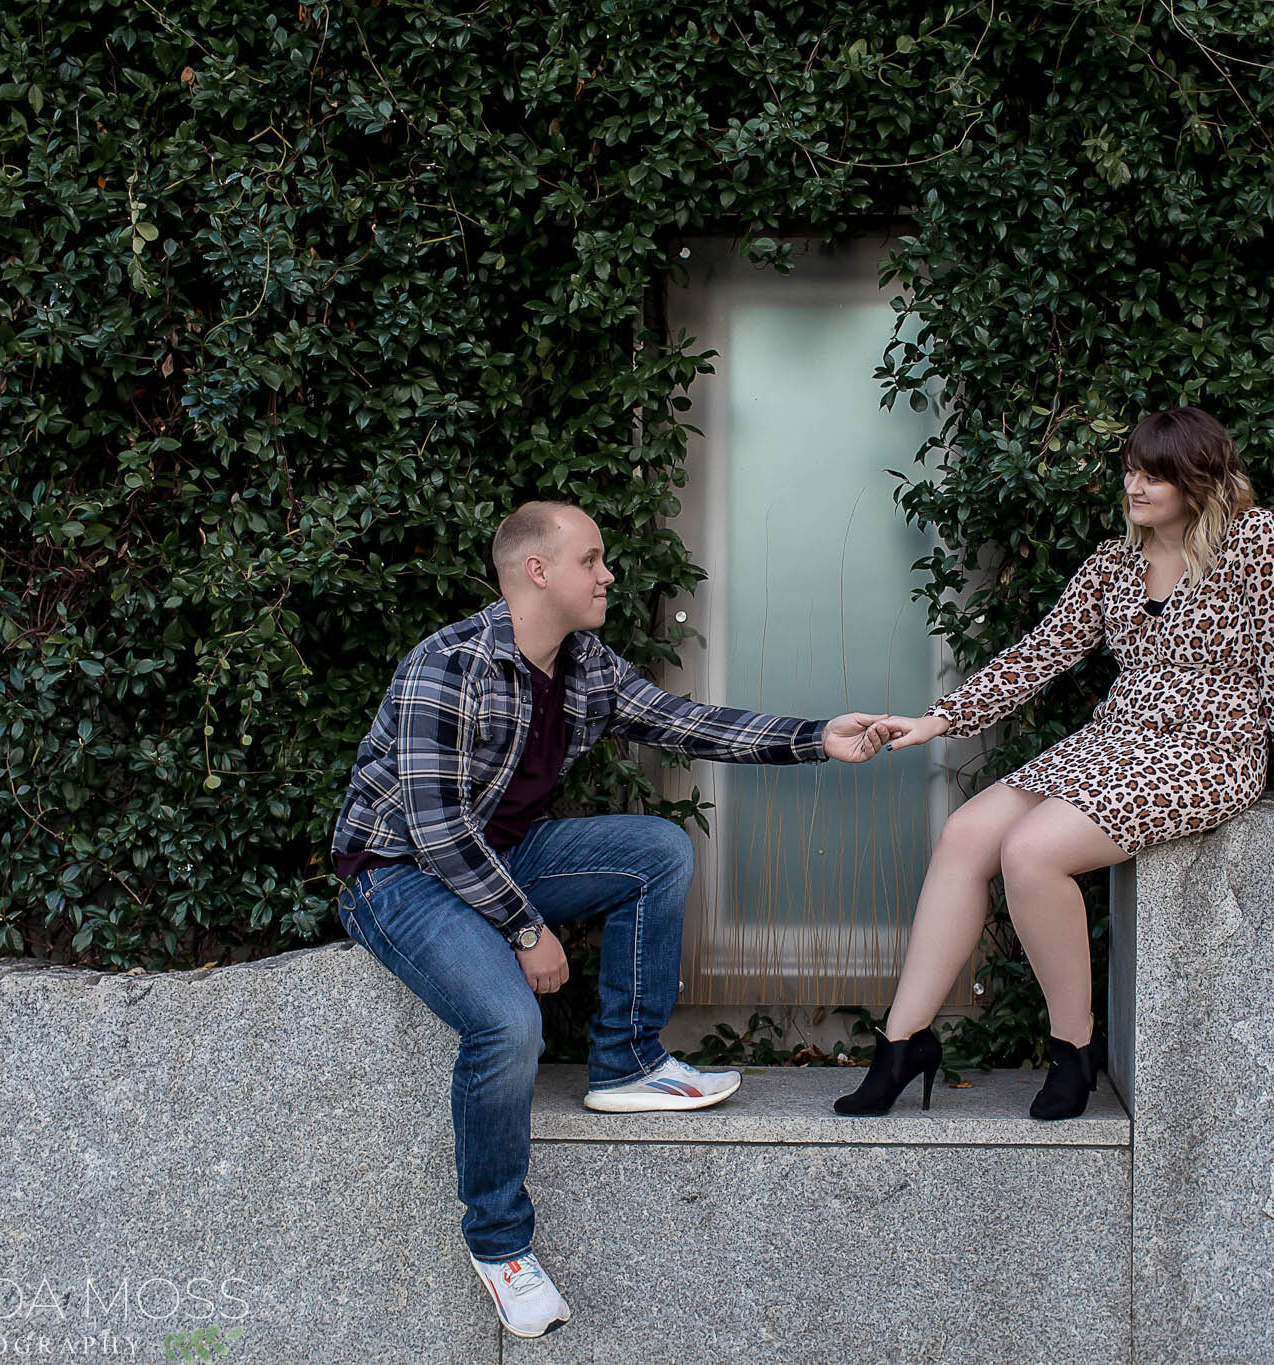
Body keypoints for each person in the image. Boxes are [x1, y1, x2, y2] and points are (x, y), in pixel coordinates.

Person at [330, 500, 895, 1339]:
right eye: (591, 560)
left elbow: (687, 723)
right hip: (397, 875)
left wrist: (818, 737)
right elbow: (435, 829)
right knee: (508, 1025)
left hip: (498, 857)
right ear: (537, 571)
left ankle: (626, 1064)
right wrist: (525, 928)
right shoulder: (448, 665)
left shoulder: (585, 664)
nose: (608, 574)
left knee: (656, 851)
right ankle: (497, 1243)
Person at [835, 407, 1274, 1122]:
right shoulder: (1114, 562)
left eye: (1153, 474)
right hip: (1115, 739)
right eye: (1131, 468)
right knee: (964, 836)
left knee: (1031, 853)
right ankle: (902, 1044)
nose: (1134, 484)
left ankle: (1074, 1049)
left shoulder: (1257, 542)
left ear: (1200, 479)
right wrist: (939, 718)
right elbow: (1039, 653)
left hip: (1208, 748)